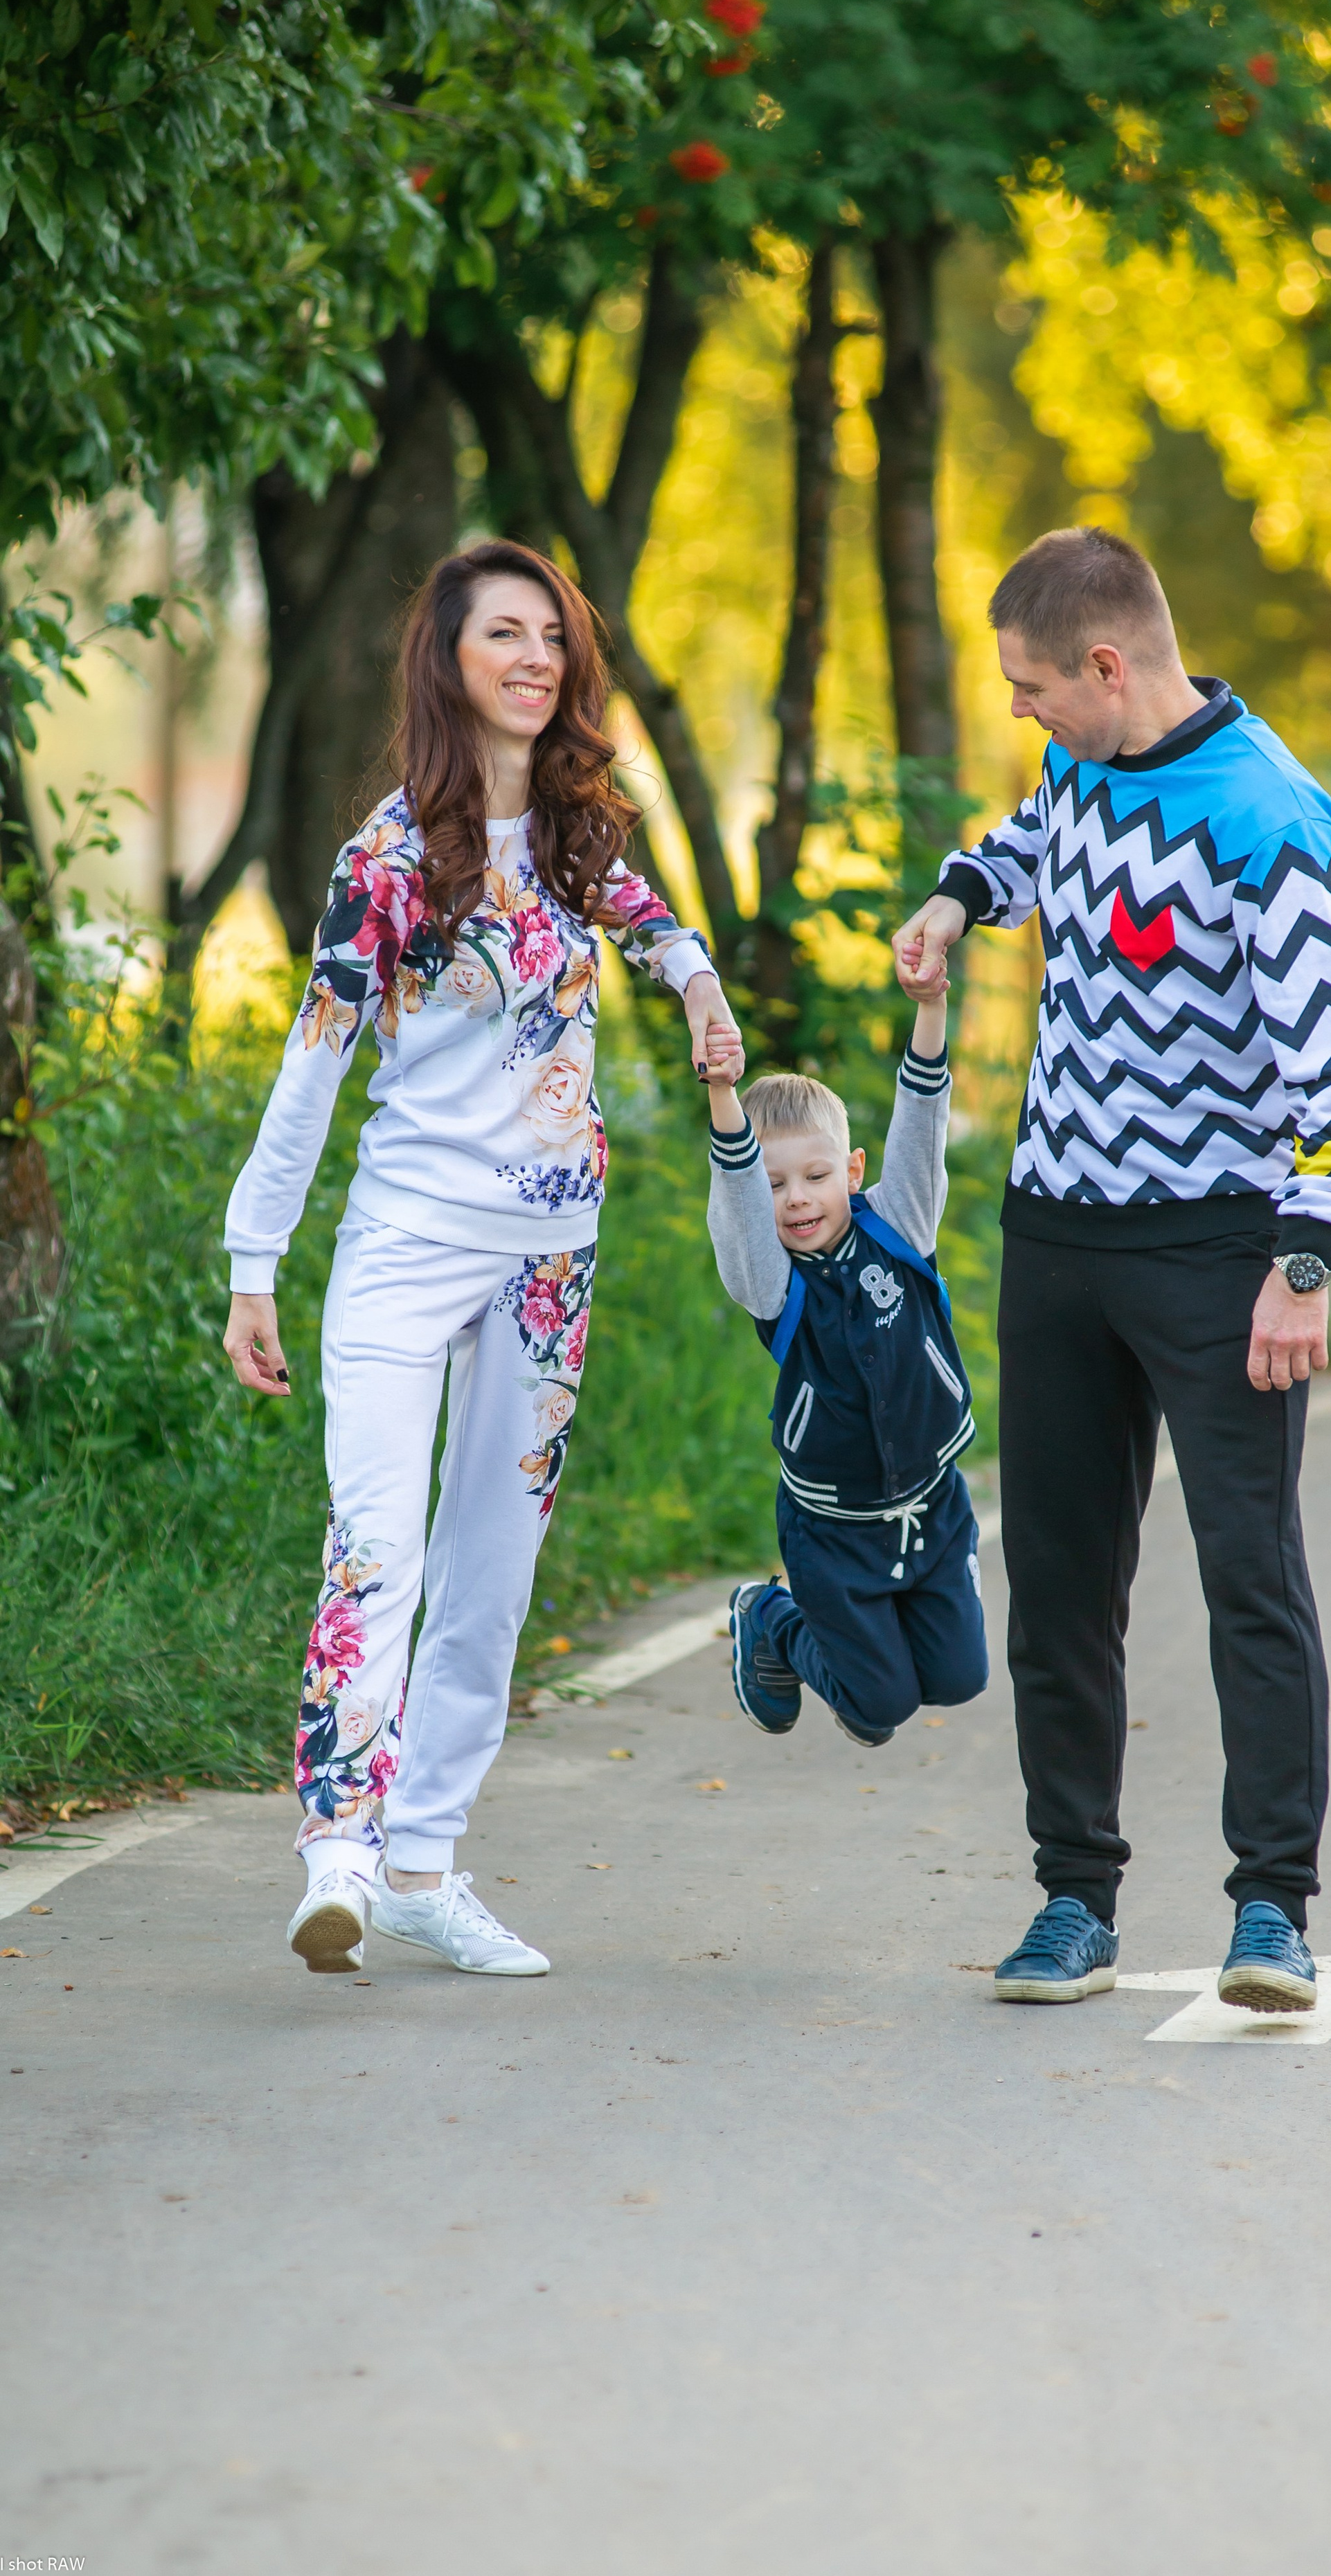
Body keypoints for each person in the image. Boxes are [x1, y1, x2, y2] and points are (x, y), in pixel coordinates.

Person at [222, 539, 740, 1980]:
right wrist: (251, 1261)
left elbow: (653, 924)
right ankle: (338, 1854)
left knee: (491, 1574)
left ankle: (426, 1865)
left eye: (551, 638)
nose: (533, 657)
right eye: (501, 634)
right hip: (405, 1242)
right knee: (376, 1544)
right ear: (446, 664)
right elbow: (312, 1066)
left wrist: (700, 991)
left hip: (548, 1262)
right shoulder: (386, 860)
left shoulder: (582, 832)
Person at [892, 526, 1331, 2012]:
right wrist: (952, 899)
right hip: (1057, 1234)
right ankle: (1072, 1899)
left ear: (1107, 667)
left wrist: (1301, 1263)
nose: (1021, 712)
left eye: (1032, 687)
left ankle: (1270, 1912)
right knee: (1054, 1581)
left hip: (1215, 1247)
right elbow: (1027, 839)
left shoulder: (1267, 817)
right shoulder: (1086, 770)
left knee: (1248, 1573)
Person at [702, 961, 989, 1749]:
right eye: (777, 1184)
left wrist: (931, 1003)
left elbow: (923, 1120)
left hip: (931, 1509)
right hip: (831, 1529)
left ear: (851, 1171)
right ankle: (772, 1618)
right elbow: (735, 1195)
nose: (796, 1197)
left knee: (961, 1679)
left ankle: (886, 1636)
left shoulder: (899, 1227)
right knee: (877, 1708)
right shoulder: (773, 1283)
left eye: (815, 1176)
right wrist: (722, 1092)